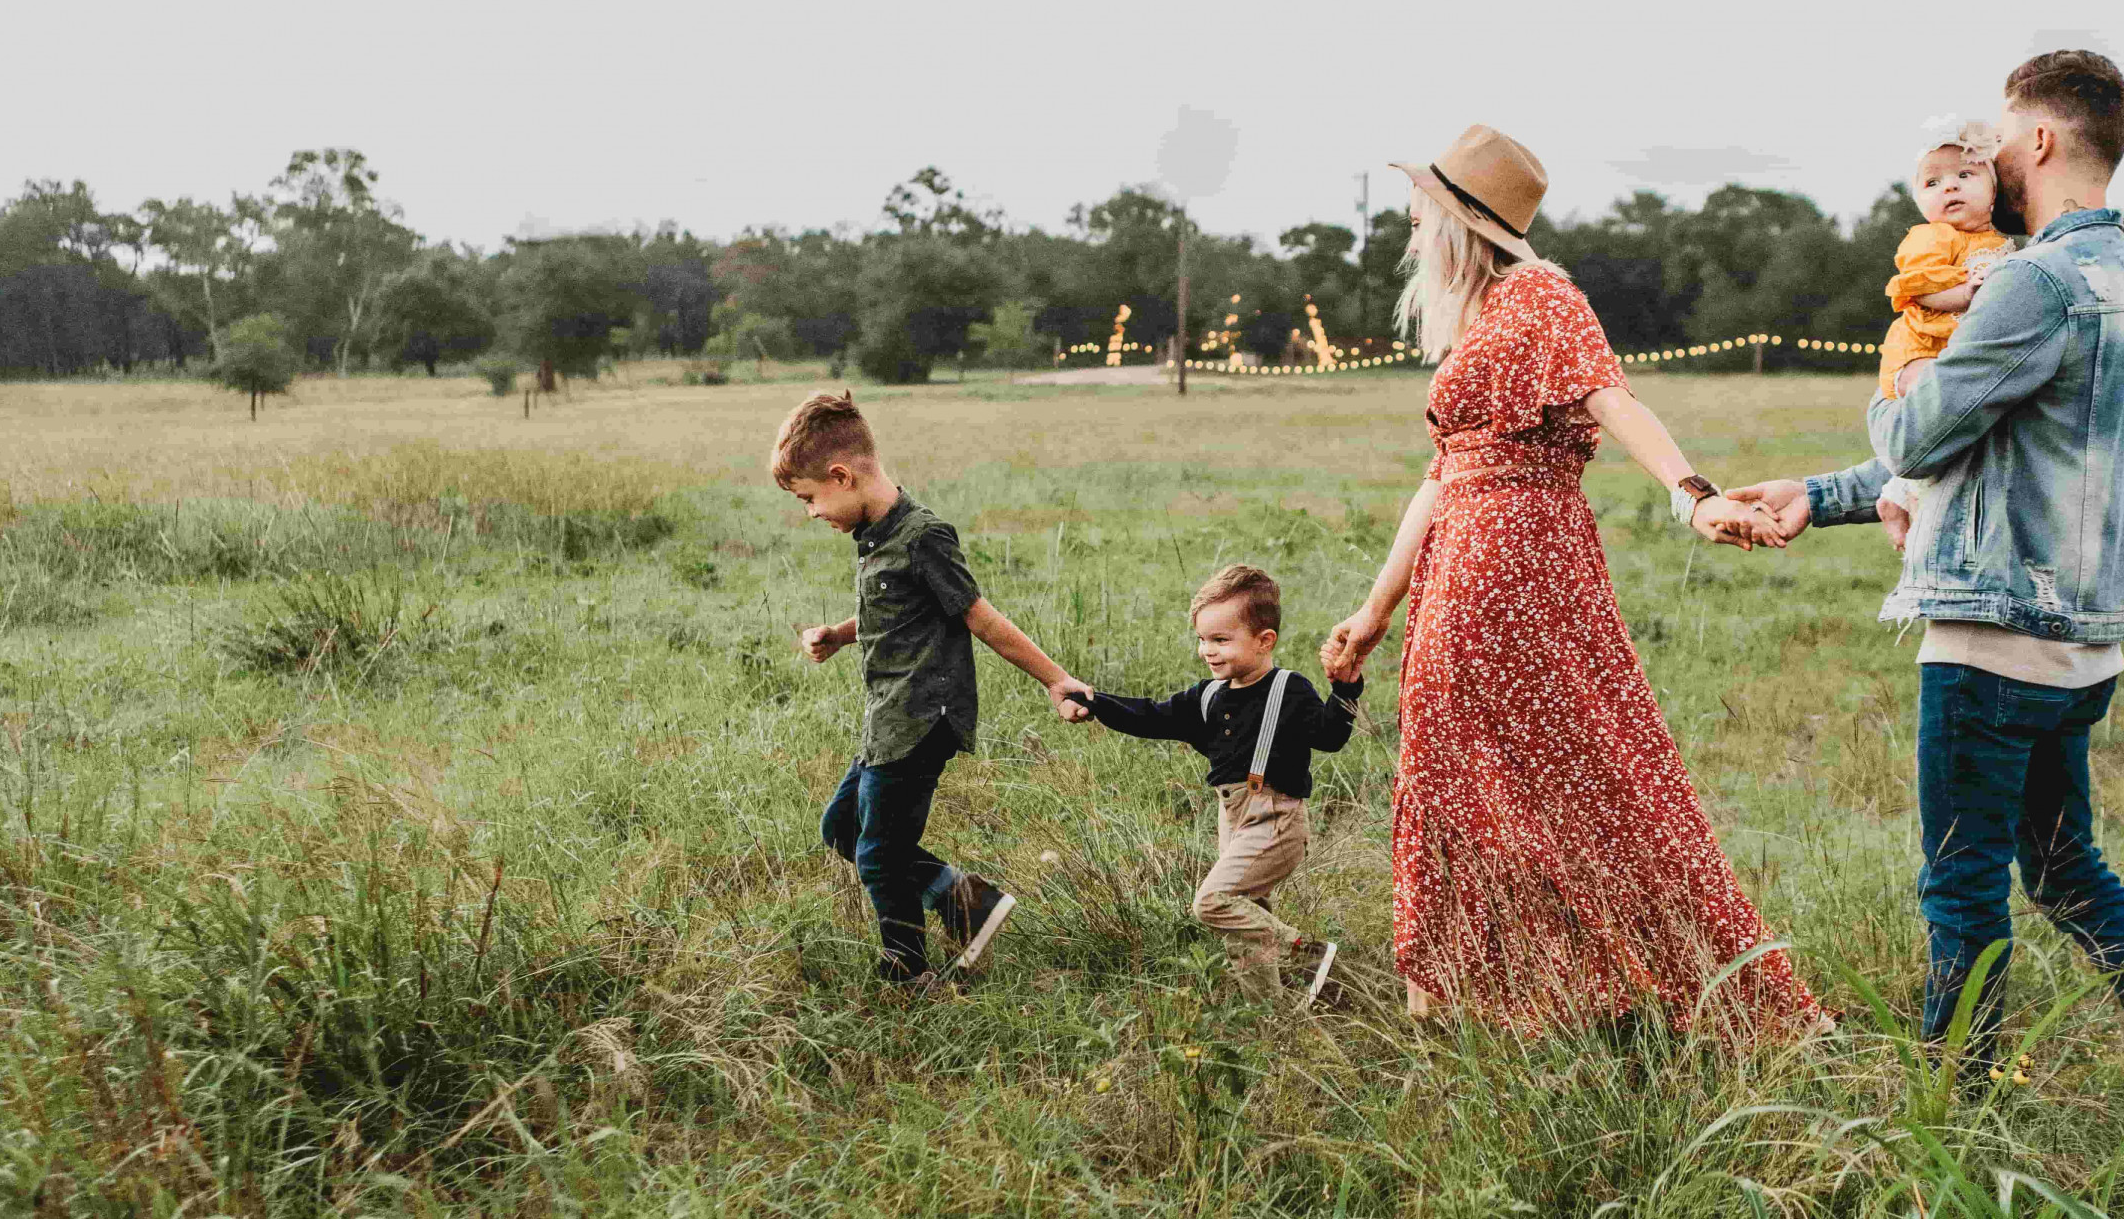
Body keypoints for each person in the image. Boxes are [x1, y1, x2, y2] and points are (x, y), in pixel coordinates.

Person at [1729, 53, 2124, 1123]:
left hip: (1989, 639)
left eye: (2001, 137)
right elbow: (1986, 453)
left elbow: (1918, 430)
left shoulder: (2030, 280)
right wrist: (1815, 495)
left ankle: (1949, 1117)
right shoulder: (2122, 283)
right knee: (2062, 872)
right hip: (2078, 643)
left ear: (2041, 143)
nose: (1988, 157)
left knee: (1960, 886)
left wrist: (1901, 383)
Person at [1321, 123, 1825, 1039]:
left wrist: (1692, 495)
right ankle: (1475, 995)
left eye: (1420, 209)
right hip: (1464, 562)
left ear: (1459, 220)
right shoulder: (1480, 318)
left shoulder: (1542, 296)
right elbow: (1441, 475)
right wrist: (1373, 609)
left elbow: (1612, 398)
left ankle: (1641, 986)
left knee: (1584, 772)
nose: (1409, 225)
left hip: (1515, 563)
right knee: (1463, 776)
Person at [773, 390, 1079, 994]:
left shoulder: (922, 535)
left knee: (880, 854)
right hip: (887, 719)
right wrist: (840, 633)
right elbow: (901, 612)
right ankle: (965, 901)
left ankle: (909, 974)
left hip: (920, 719)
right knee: (841, 830)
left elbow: (981, 618)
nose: (810, 512)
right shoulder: (879, 538)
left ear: (842, 475)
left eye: (809, 498)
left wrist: (1057, 680)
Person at [1061, 564, 1361, 1002]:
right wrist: (1094, 701)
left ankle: (1306, 953)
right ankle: (1269, 1017)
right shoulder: (1207, 696)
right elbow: (1149, 716)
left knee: (1214, 903)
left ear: (1265, 641)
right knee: (1245, 920)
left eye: (1221, 640)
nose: (1208, 651)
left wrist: (1345, 690)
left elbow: (1331, 737)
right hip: (1232, 818)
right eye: (1203, 639)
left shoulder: (1288, 690)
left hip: (1276, 818)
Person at [1874, 117, 2015, 556]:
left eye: (1965, 176)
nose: (1949, 188)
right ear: (1919, 200)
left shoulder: (2002, 242)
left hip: (1955, 349)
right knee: (1940, 409)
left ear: (1994, 190)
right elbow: (1922, 287)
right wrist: (1967, 293)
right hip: (1921, 348)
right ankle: (1902, 498)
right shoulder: (1932, 237)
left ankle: (1898, 496)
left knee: (1958, 426)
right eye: (1933, 182)